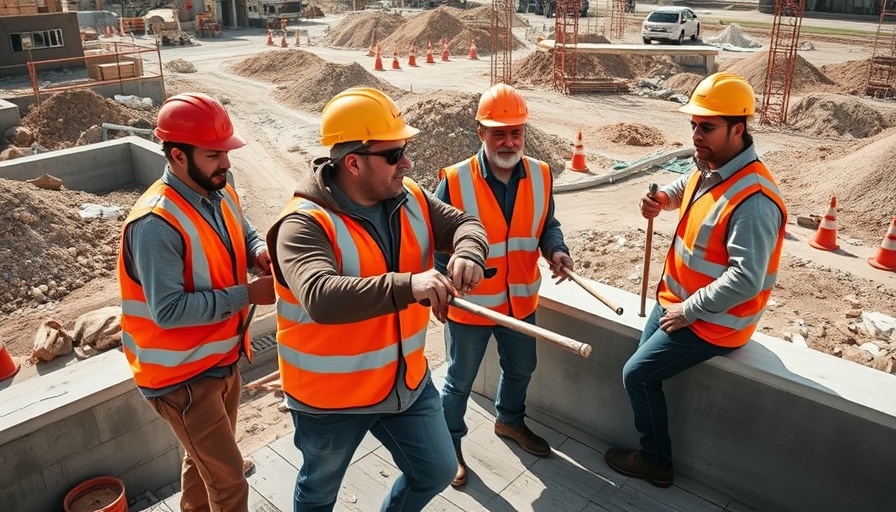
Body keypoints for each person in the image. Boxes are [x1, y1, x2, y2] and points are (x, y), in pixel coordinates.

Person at [266, 87, 489, 511]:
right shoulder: (303, 224)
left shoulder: (409, 197)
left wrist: (468, 252)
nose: (407, 163)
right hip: (331, 400)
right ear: (353, 162)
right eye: (394, 154)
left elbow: (465, 224)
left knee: (437, 470)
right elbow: (320, 296)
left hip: (405, 381)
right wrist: (411, 285)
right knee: (318, 492)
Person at [604, 72, 787, 488]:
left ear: (738, 129)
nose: (695, 135)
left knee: (637, 375)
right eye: (693, 125)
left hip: (713, 321)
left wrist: (689, 311)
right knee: (641, 370)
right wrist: (662, 199)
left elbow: (747, 278)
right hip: (676, 301)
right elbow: (687, 186)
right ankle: (653, 453)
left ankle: (656, 461)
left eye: (707, 127)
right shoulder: (711, 166)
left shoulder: (754, 200)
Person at [118, 92, 276, 512]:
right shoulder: (155, 223)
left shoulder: (219, 189)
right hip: (182, 379)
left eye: (226, 152)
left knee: (203, 462)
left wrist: (258, 251)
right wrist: (248, 294)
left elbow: (244, 232)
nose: (226, 162)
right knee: (229, 483)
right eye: (214, 155)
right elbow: (168, 311)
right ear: (178, 155)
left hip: (220, 359)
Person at [436, 83, 574, 488]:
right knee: (459, 381)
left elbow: (546, 223)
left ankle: (509, 420)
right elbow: (436, 241)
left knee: (522, 368)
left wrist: (556, 249)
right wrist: (445, 287)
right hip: (472, 307)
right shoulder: (455, 181)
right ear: (481, 132)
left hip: (520, 301)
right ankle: (447, 446)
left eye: (516, 132)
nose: (509, 142)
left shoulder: (541, 174)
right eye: (499, 133)